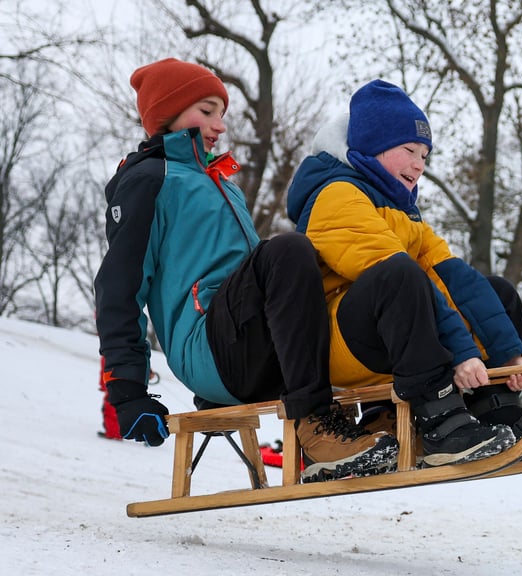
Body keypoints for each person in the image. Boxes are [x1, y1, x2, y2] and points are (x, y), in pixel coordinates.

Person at [94, 58, 398, 482]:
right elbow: (119, 285)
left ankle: (381, 417)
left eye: (221, 114)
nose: (219, 126)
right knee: (290, 250)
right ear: (167, 113)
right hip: (209, 350)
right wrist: (126, 389)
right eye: (206, 111)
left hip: (255, 344)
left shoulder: (223, 182)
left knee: (338, 263)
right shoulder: (150, 179)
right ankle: (316, 429)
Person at [286, 79, 522, 467]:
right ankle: (440, 420)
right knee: (401, 277)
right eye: (409, 150)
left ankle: (495, 405)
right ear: (373, 147)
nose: (420, 164)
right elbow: (396, 277)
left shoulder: (403, 211)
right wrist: (462, 355)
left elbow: (452, 277)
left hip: (393, 330)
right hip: (343, 340)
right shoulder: (336, 195)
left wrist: (510, 358)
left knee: (493, 291)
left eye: (425, 154)